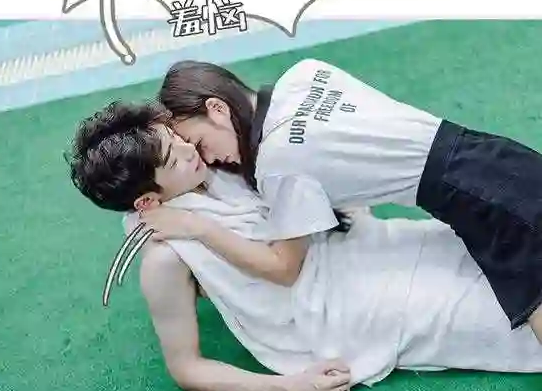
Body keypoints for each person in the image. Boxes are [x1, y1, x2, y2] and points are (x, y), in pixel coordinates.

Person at [66, 102, 542, 391]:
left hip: (362, 246)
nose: (190, 149)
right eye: (174, 159)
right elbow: (186, 369)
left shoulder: (215, 161)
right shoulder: (164, 259)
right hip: (349, 313)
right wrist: (290, 387)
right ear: (147, 201)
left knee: (507, 245)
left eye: (176, 139)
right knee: (506, 316)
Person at [156, 58, 542, 343]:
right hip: (491, 153)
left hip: (476, 197)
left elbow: (284, 269)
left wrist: (196, 227)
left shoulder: (277, 162)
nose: (209, 160)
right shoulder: (304, 73)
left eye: (201, 144)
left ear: (217, 109)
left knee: (534, 302)